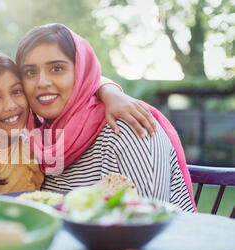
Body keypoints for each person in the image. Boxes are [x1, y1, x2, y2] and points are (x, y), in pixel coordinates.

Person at [15, 23, 196, 212]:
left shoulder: (130, 128)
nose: (42, 82)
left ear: (81, 73)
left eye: (57, 69)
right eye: (30, 72)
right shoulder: (37, 139)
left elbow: (141, 224)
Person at [0, 51, 156, 193]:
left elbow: (81, 83)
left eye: (17, 92)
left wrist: (109, 91)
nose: (11, 105)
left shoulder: (39, 144)